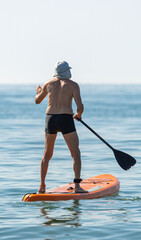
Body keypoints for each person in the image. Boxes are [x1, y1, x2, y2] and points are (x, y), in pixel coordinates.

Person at [35, 61, 88, 193]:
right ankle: (77, 186)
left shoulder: (48, 84)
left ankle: (42, 186)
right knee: (75, 153)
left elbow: (37, 100)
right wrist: (78, 115)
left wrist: (40, 91)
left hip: (51, 119)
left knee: (47, 154)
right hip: (65, 119)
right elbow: (80, 106)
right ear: (67, 71)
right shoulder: (73, 85)